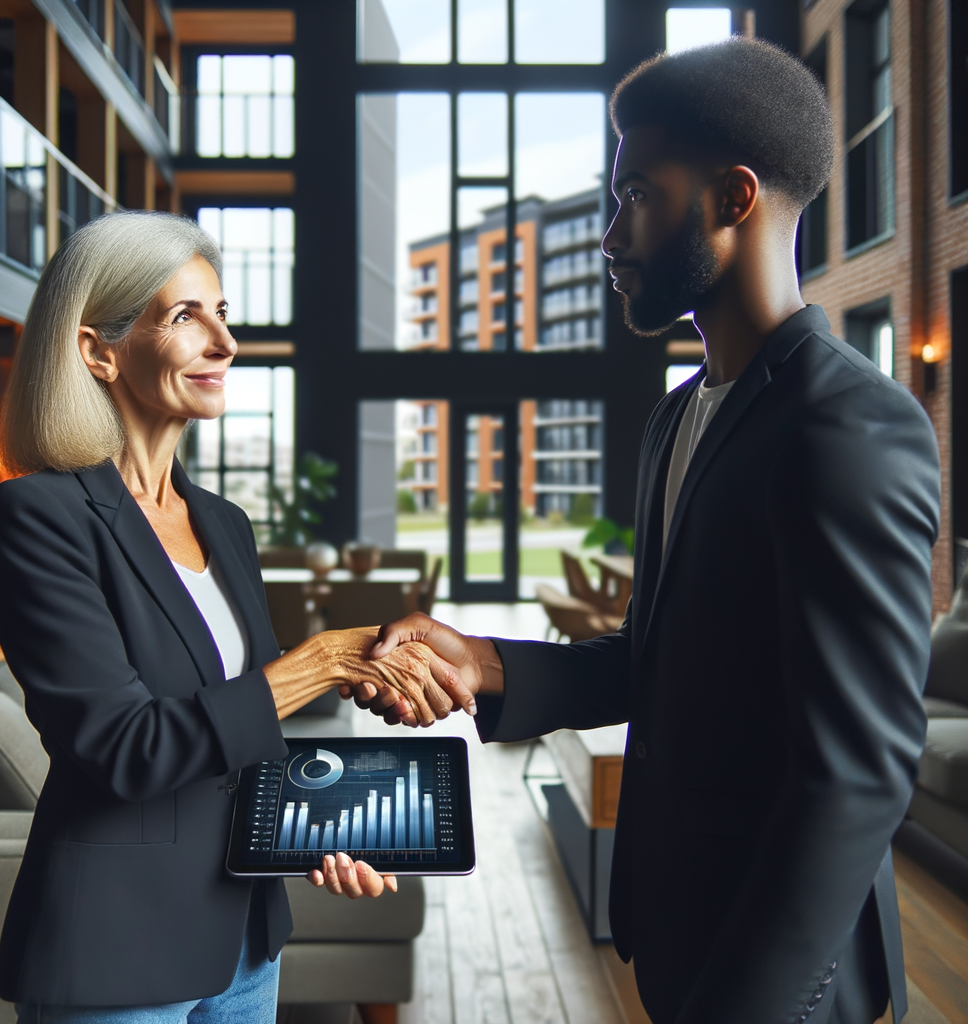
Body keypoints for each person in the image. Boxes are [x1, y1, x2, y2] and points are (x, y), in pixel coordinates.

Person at [344, 38, 941, 1024]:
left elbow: (858, 774)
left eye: (634, 196)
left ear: (732, 198)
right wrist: (482, 661)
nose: (608, 234)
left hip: (781, 982)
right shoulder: (679, 415)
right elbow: (662, 661)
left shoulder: (850, 426)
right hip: (676, 928)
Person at [0, 211, 469, 1023]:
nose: (224, 344)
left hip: (245, 939)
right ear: (97, 351)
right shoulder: (37, 516)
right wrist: (320, 662)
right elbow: (125, 749)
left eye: (223, 314)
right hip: (117, 952)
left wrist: (314, 830)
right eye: (183, 317)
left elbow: (245, 735)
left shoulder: (225, 523)